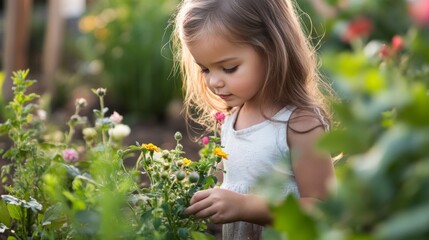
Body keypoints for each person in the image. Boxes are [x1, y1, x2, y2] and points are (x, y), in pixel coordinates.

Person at [173, 0, 336, 239]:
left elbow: (325, 209)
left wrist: (246, 206)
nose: (213, 82)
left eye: (229, 68)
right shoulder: (233, 118)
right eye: (205, 69)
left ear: (271, 49)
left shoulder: (299, 123)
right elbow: (227, 177)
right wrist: (194, 192)